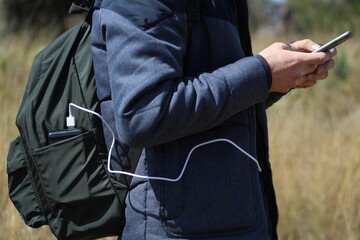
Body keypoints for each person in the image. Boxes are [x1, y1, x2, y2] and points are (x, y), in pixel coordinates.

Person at [90, 0, 336, 239]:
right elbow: (142, 115)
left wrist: (278, 76)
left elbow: (216, 106)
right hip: (173, 229)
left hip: (231, 223)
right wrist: (262, 74)